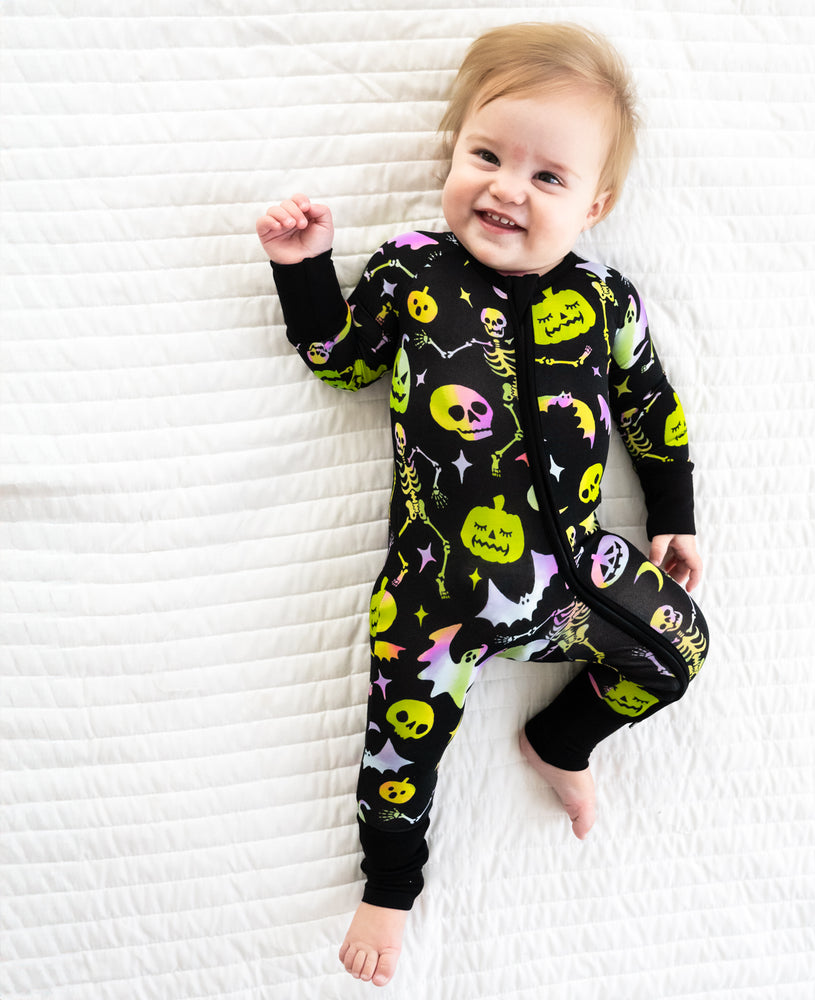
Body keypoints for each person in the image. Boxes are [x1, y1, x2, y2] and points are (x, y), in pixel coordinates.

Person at [256, 21, 709, 987]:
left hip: (578, 580)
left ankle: (561, 737)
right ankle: (388, 888)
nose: (508, 188)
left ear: (597, 203)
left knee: (683, 646)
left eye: (548, 178)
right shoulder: (414, 270)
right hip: (437, 593)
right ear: (451, 154)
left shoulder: (604, 301)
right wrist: (306, 271)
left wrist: (674, 509)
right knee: (397, 752)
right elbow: (344, 364)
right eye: (488, 156)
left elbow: (650, 405)